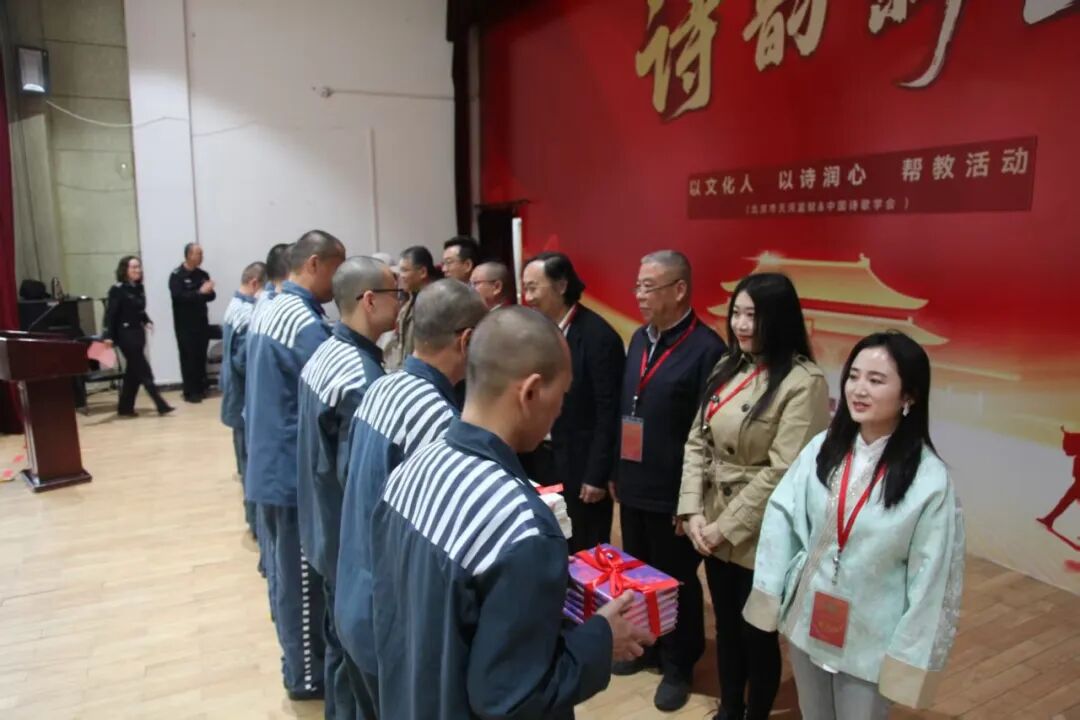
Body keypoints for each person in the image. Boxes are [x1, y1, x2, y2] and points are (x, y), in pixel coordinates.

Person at [368, 306, 655, 719]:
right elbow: (513, 696)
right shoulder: (523, 528)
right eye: (562, 395)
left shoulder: (413, 467)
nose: (560, 411)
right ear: (531, 392)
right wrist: (602, 640)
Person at [744, 331, 965, 719]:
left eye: (876, 380)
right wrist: (772, 589)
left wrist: (908, 653)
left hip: (871, 635)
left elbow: (933, 577)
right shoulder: (823, 447)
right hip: (809, 615)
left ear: (909, 396)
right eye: (854, 376)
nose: (859, 389)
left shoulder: (929, 480)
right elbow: (782, 515)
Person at [678, 273, 830, 720]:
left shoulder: (803, 382)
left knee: (757, 632)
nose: (742, 325)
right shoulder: (727, 366)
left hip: (761, 528)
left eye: (754, 316)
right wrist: (691, 511)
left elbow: (785, 471)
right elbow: (696, 441)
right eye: (738, 313)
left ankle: (756, 713)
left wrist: (724, 527)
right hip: (711, 522)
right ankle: (729, 707)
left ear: (779, 320)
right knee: (726, 625)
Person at [335, 279, 487, 717]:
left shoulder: (385, 386)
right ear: (467, 341)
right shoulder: (436, 420)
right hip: (390, 620)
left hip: (354, 594)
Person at [612, 250, 726, 711]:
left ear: (679, 290)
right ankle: (646, 646)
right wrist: (617, 471)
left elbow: (709, 436)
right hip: (634, 481)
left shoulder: (707, 349)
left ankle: (679, 663)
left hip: (674, 491)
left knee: (675, 580)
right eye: (637, 285)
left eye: (649, 286)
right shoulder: (639, 338)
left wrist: (691, 501)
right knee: (638, 573)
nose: (639, 295)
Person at [296, 256, 402, 719]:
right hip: (347, 543)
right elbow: (361, 478)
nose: (401, 304)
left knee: (339, 652)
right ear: (370, 300)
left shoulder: (326, 353)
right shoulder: (360, 378)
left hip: (322, 529)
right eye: (396, 294)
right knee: (357, 667)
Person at [244, 230, 346, 701]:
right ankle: (307, 677)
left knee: (286, 577)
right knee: (303, 584)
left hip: (269, 462)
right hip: (289, 471)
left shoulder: (272, 306)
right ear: (315, 264)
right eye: (336, 270)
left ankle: (296, 665)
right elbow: (336, 385)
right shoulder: (302, 321)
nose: (338, 282)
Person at [522, 252, 624, 552]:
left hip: (581, 469)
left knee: (584, 547)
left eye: (533, 288)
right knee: (548, 539)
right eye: (525, 288)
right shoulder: (536, 332)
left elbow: (608, 411)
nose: (528, 297)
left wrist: (597, 475)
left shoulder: (598, 336)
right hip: (542, 461)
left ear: (561, 286)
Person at [220, 261, 267, 538]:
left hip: (235, 397)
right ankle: (256, 523)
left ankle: (253, 520)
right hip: (243, 399)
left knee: (244, 461)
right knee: (249, 463)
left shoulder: (234, 306)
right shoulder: (247, 314)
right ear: (255, 283)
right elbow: (243, 361)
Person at [103, 256, 174, 418]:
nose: (137, 270)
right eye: (133, 267)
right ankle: (160, 404)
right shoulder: (117, 289)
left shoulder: (138, 288)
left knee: (133, 372)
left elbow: (139, 310)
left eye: (138, 267)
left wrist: (146, 320)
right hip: (125, 334)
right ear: (125, 270)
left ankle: (125, 407)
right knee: (143, 369)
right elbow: (110, 315)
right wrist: (108, 335)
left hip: (137, 333)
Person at [169, 242, 216, 403]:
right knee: (188, 357)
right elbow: (178, 297)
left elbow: (211, 296)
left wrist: (206, 292)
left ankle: (201, 388)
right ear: (189, 255)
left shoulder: (202, 274)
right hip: (184, 324)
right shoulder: (177, 275)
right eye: (198, 254)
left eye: (202, 254)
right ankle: (190, 391)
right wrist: (199, 292)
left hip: (201, 322)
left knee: (200, 356)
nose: (201, 257)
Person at [384, 245, 439, 371]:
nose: (401, 276)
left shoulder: (436, 303)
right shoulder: (409, 301)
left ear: (423, 272)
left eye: (405, 270)